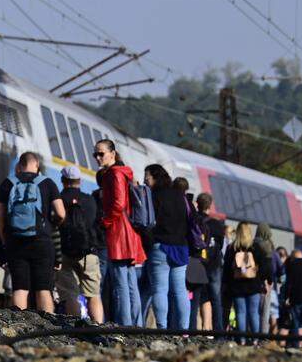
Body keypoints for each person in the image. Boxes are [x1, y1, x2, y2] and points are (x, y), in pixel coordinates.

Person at [0, 152, 63, 313]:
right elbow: (61, 213)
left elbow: (0, 216)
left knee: (20, 288)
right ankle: (48, 329)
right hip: (42, 241)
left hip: (15, 241)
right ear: (37, 165)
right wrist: (51, 225)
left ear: (19, 166)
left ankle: (20, 326)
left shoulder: (7, 183)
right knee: (43, 289)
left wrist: (5, 239)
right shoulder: (47, 183)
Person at [93, 139, 146, 326]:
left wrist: (104, 221)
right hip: (129, 231)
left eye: (101, 153)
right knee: (130, 282)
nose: (98, 158)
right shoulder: (124, 173)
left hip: (118, 233)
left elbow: (118, 203)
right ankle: (136, 324)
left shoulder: (113, 174)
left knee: (120, 282)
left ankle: (125, 324)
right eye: (96, 154)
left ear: (112, 153)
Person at [145, 164, 191, 330]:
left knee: (160, 290)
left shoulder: (152, 195)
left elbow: (148, 221)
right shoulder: (180, 195)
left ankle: (162, 327)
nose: (145, 180)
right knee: (180, 290)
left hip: (161, 246)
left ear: (155, 177)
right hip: (180, 247)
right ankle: (184, 330)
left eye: (147, 177)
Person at [57, 166, 104, 323]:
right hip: (88, 253)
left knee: (69, 293)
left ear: (63, 181)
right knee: (93, 294)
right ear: (80, 181)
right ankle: (98, 327)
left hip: (65, 253)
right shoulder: (90, 200)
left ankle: (75, 327)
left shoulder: (58, 199)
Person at [222, 222, 270, 343]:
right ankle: (255, 340)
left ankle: (242, 340)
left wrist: (226, 284)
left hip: (237, 286)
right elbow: (265, 267)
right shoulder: (256, 248)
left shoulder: (232, 248)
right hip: (253, 286)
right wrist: (260, 278)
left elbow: (227, 269)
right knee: (254, 313)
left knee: (240, 313)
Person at [193, 193, 224, 331]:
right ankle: (219, 331)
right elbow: (220, 244)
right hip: (214, 265)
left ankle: (191, 329)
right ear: (210, 205)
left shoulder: (193, 221)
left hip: (197, 264)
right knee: (216, 300)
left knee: (194, 298)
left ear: (197, 204)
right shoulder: (217, 224)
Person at [255, 223, 279, 333]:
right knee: (265, 313)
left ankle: (251, 336)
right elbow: (273, 268)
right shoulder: (270, 249)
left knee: (253, 312)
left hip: (252, 283)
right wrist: (270, 281)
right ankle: (262, 337)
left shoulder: (252, 245)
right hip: (266, 285)